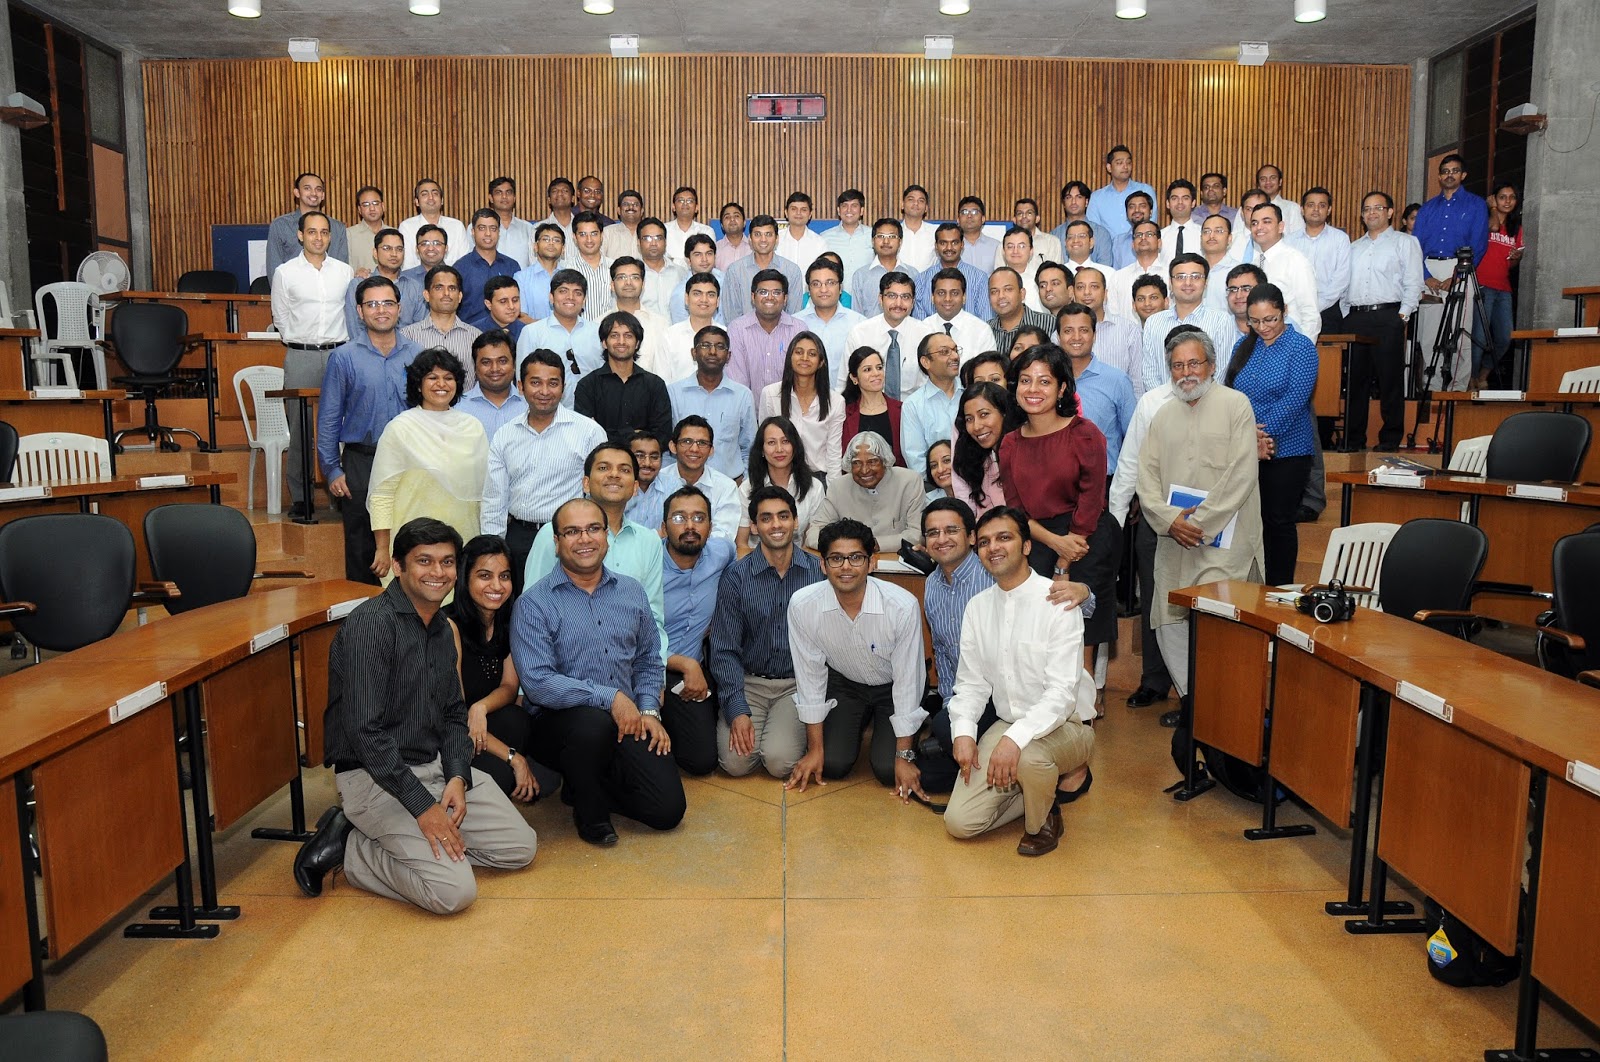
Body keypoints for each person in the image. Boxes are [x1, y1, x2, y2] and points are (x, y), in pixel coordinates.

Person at [294, 518, 537, 912]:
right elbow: (364, 732)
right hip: (375, 777)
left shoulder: (441, 628)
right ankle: (350, 845)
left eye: (446, 562)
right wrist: (423, 807)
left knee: (519, 848)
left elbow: (455, 714)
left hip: (435, 766)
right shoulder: (371, 625)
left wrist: (457, 776)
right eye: (424, 561)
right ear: (398, 566)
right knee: (453, 893)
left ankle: (414, 845)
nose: (437, 572)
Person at [512, 498, 686, 847]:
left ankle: (582, 782)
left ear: (606, 536)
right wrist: (611, 697)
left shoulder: (632, 591)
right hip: (559, 723)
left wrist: (649, 710)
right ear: (556, 542)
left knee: (667, 811)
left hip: (627, 719)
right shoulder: (534, 604)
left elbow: (648, 659)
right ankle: (590, 813)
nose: (584, 539)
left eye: (593, 528)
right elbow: (538, 683)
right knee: (592, 725)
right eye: (572, 532)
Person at [1136, 330, 1265, 754]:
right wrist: (1170, 520)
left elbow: (1242, 473)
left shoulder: (1236, 405)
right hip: (1175, 537)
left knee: (1220, 624)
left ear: (1211, 365)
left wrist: (1200, 523)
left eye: (1194, 364)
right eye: (1178, 365)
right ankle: (1194, 701)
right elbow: (1146, 478)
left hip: (1226, 541)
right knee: (1168, 617)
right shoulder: (1162, 416)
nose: (1186, 373)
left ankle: (1223, 707)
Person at [943, 506, 1098, 855]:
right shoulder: (977, 607)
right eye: (984, 542)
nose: (993, 547)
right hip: (1009, 721)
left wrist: (1013, 740)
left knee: (1029, 758)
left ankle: (1044, 819)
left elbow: (1061, 694)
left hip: (1067, 724)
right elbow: (971, 684)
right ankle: (1034, 789)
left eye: (1004, 537)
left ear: (1026, 546)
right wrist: (963, 732)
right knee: (960, 823)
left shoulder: (1058, 599)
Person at [786, 518, 927, 790]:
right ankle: (858, 725)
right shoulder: (803, 605)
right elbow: (810, 678)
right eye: (836, 558)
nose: (846, 567)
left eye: (856, 557)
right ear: (823, 565)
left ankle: (896, 733)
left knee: (888, 770)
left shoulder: (901, 606)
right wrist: (815, 749)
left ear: (872, 562)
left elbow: (908, 684)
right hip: (846, 684)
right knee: (832, 764)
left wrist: (904, 756)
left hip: (893, 687)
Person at [999, 344, 1119, 659]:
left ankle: (1089, 687)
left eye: (1044, 381)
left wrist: (1064, 560)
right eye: (1025, 380)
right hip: (1038, 539)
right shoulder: (1010, 443)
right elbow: (1016, 511)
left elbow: (1091, 500)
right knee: (1037, 639)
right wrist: (1054, 543)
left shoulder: (1085, 434)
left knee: (1080, 637)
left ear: (1062, 388)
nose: (1033, 389)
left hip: (1086, 537)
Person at [709, 485, 824, 777]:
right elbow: (724, 649)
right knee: (735, 764)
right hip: (749, 682)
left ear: (795, 522)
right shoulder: (736, 576)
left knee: (778, 762)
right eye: (766, 518)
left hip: (796, 684)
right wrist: (737, 708)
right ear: (754, 527)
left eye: (783, 516)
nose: (776, 525)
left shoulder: (818, 572)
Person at [317, 276, 420, 583]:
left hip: (409, 461)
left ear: (399, 308)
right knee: (362, 548)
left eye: (388, 303)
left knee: (411, 542)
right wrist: (331, 469)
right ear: (360, 311)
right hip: (361, 462)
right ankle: (363, 612)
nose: (381, 310)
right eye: (372, 304)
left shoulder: (417, 355)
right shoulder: (343, 357)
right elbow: (329, 418)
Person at [524, 443, 668, 662]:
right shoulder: (554, 533)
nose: (614, 474)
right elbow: (532, 611)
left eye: (624, 469)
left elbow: (653, 618)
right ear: (586, 483)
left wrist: (656, 673)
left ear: (635, 488)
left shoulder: (649, 541)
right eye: (603, 468)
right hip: (563, 668)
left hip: (628, 669)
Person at [479, 347, 607, 593]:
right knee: (520, 607)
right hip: (519, 538)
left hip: (570, 538)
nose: (545, 391)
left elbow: (599, 495)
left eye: (553, 383)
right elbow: (494, 500)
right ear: (520, 386)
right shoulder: (505, 435)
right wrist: (493, 549)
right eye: (536, 382)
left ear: (563, 387)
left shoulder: (588, 432)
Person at [445, 535, 558, 802]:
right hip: (451, 732)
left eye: (504, 576)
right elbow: (453, 714)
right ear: (464, 578)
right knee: (507, 776)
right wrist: (514, 758)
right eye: (485, 576)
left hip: (482, 725)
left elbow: (509, 686)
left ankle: (498, 767)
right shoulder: (448, 626)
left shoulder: (508, 619)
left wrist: (480, 708)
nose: (497, 586)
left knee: (520, 724)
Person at [367, 347, 488, 585]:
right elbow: (382, 494)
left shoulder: (473, 427)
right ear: (418, 385)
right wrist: (382, 548)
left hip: (463, 542)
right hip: (414, 543)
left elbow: (485, 494)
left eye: (448, 378)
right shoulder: (400, 428)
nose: (441, 384)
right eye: (432, 377)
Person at [1224, 284, 1317, 585]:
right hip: (1246, 447)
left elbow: (1294, 400)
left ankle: (1279, 589)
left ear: (1284, 311)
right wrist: (1245, 435)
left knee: (1278, 521)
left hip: (1288, 450)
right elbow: (1231, 393)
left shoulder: (1301, 347)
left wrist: (1259, 435)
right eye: (1255, 321)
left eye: (1270, 319)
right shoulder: (1243, 346)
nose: (1263, 327)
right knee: (1248, 522)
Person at [272, 210, 353, 514]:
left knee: (339, 426)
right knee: (301, 428)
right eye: (312, 232)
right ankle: (300, 497)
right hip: (301, 355)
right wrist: (299, 339)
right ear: (300, 235)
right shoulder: (285, 272)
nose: (318, 238)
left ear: (330, 237)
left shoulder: (344, 272)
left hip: (338, 355)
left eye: (324, 232)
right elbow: (280, 317)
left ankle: (340, 495)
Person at [655, 484, 737, 775]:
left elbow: (734, 583)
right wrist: (684, 663)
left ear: (710, 527)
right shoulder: (648, 565)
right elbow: (632, 636)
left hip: (693, 671)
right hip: (648, 667)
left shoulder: (721, 552)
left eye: (699, 518)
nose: (690, 526)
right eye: (679, 518)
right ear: (664, 527)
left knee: (701, 761)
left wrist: (719, 619)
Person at [1342, 191, 1424, 452]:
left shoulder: (1405, 242)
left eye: (1378, 207)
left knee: (1390, 381)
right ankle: (1353, 439)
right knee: (1355, 383)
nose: (1372, 213)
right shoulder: (1353, 247)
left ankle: (1389, 439)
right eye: (1367, 208)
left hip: (1388, 316)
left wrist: (1402, 316)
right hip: (1356, 318)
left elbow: (1414, 282)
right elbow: (1344, 286)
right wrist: (1345, 317)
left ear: (1390, 212)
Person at [666, 324, 757, 482]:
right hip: (682, 486)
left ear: (728, 356)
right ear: (694, 353)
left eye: (720, 346)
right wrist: (672, 483)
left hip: (731, 485)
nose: (713, 351)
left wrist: (744, 482)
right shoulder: (673, 393)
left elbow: (750, 448)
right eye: (705, 345)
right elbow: (667, 449)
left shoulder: (742, 395)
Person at [806, 431, 924, 549]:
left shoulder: (909, 481)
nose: (864, 470)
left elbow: (918, 535)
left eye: (872, 462)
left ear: (885, 461)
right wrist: (847, 548)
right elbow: (814, 534)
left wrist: (873, 545)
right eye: (856, 463)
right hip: (849, 559)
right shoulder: (838, 487)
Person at [573, 309, 672, 447]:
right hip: (603, 458)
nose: (621, 341)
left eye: (628, 336)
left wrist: (607, 434)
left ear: (637, 343)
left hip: (643, 459)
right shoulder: (587, 386)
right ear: (604, 342)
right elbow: (586, 435)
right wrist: (635, 434)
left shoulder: (655, 385)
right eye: (614, 335)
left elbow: (662, 435)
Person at [1139, 253, 1236, 391]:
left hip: (1208, 401)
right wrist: (1168, 401)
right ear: (1171, 283)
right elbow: (1150, 374)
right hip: (1163, 402)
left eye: (1195, 277)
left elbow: (1220, 373)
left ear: (1206, 282)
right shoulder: (1153, 322)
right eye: (1181, 277)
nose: (1188, 283)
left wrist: (1199, 401)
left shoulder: (1221, 321)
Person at [636, 416, 741, 542]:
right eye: (687, 441)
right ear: (673, 446)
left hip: (707, 553)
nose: (694, 449)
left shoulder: (726, 487)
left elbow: (722, 539)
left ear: (711, 450)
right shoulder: (656, 480)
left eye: (702, 443)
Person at [1058, 303, 1136, 473]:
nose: (1076, 337)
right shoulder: (1048, 382)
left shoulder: (1117, 381)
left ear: (1094, 335)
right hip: (1057, 480)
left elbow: (1134, 439)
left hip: (1105, 479)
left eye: (1084, 330)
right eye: (1068, 330)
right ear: (1058, 336)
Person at [758, 331, 844, 477]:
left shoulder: (835, 401)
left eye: (812, 354)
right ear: (790, 358)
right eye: (799, 352)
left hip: (819, 477)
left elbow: (834, 455)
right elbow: (765, 443)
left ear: (821, 362)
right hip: (781, 476)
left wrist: (833, 489)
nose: (804, 358)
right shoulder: (771, 394)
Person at [516, 269, 604, 403]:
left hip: (592, 410)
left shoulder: (597, 332)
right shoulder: (531, 332)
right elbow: (523, 381)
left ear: (584, 300)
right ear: (551, 297)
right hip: (546, 410)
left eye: (577, 293)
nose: (570, 297)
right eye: (563, 291)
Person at [738, 416, 825, 550]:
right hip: (756, 557)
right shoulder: (747, 488)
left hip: (798, 557)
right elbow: (741, 544)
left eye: (785, 441)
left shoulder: (814, 487)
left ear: (795, 446)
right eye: (771, 442)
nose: (779, 449)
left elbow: (812, 543)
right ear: (761, 449)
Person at [847, 271, 934, 400]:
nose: (898, 303)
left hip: (914, 406)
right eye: (892, 296)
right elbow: (845, 381)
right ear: (880, 299)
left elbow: (934, 381)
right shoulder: (860, 333)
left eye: (905, 297)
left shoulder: (926, 335)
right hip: (870, 406)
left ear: (913, 302)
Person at [1472, 182, 1525, 390]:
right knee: (1479, 337)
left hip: (1503, 289)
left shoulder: (1516, 229)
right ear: (1493, 199)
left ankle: (1483, 374)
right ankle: (1471, 379)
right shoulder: (1484, 221)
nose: (1508, 201)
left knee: (1505, 337)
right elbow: (1493, 227)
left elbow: (1510, 265)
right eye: (1502, 197)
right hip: (1482, 285)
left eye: (1512, 197)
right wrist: (1492, 208)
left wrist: (1516, 258)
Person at [728, 268, 806, 404]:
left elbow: (802, 378)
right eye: (763, 292)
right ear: (753, 297)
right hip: (750, 412)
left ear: (785, 298)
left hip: (790, 411)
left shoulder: (799, 329)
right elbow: (738, 383)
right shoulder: (737, 329)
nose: (770, 297)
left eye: (776, 292)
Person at [1248, 203, 1321, 341]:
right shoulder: (1254, 263)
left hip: (1290, 342)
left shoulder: (1295, 261)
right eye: (1254, 223)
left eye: (1266, 221)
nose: (1259, 227)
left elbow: (1310, 314)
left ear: (1281, 227)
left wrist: (1302, 350)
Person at [341, 227, 423, 340]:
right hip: (365, 349)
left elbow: (420, 330)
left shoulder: (415, 287)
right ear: (375, 253)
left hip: (406, 349)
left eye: (399, 249)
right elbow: (355, 328)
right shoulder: (357, 285)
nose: (394, 254)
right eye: (387, 248)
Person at [1071, 266, 1143, 394]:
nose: (1087, 292)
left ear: (1105, 293)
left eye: (1094, 287)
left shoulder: (1128, 330)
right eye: (1080, 287)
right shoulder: (1061, 335)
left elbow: (1137, 382)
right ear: (1073, 293)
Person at [797, 258, 867, 385]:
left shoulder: (859, 324)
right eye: (816, 284)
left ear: (840, 288)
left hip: (846, 395)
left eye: (830, 283)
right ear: (809, 290)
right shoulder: (796, 324)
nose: (823, 289)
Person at [266, 172, 349, 278]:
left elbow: (343, 270)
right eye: (307, 188)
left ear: (323, 195)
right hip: (293, 287)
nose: (313, 193)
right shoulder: (280, 226)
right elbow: (274, 271)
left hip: (330, 287)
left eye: (318, 189)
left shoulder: (338, 228)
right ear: (297, 192)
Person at [901, 332, 961, 476]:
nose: (955, 356)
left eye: (955, 350)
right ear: (926, 362)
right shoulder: (913, 405)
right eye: (945, 352)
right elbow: (916, 462)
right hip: (937, 486)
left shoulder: (972, 394)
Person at [951, 380, 1014, 516]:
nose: (976, 426)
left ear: (1004, 413)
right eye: (969, 419)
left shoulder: (1022, 454)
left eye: (984, 414)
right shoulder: (981, 461)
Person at [723, 215, 804, 319]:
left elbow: (794, 315)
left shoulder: (792, 271)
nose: (763, 239)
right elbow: (731, 316)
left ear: (777, 238)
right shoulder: (735, 271)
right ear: (750, 239)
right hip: (744, 329)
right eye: (757, 234)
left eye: (768, 234)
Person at [401, 265, 481, 371]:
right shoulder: (407, 336)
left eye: (452, 288)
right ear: (426, 295)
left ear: (460, 296)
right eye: (439, 288)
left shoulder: (476, 337)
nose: (446, 293)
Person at [454, 209, 520, 331]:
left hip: (508, 334)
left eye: (493, 228)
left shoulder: (512, 266)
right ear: (473, 232)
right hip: (470, 334)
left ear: (499, 232)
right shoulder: (460, 268)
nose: (488, 233)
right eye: (482, 228)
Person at [1298, 187, 1351, 337]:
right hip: (1297, 310)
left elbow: (1341, 279)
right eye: (1310, 205)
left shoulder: (1340, 239)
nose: (1316, 209)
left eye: (1322, 205)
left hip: (1329, 310)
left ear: (1329, 210)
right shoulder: (1289, 241)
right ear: (1302, 209)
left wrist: (1316, 306)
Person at [841, 345, 905, 468]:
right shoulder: (845, 414)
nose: (876, 373)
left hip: (896, 477)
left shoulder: (901, 410)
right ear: (854, 378)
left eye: (879, 368)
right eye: (867, 369)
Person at [921, 265, 993, 360]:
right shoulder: (922, 330)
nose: (947, 299)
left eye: (954, 293)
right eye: (941, 293)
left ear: (964, 297)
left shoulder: (981, 331)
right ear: (932, 297)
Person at [1087, 144, 1156, 243]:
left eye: (1128, 162)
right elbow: (1094, 231)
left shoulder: (1146, 190)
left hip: (1141, 247)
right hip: (1108, 251)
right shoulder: (1097, 198)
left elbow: (1151, 226)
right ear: (1109, 167)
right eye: (1119, 163)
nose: (1125, 166)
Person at [398, 179, 467, 271]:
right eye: (424, 194)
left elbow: (463, 263)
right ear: (417, 202)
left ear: (442, 200)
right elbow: (407, 264)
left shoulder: (457, 226)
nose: (431, 197)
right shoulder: (407, 226)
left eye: (435, 193)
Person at [987, 267, 1055, 354]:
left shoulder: (1050, 324)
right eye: (994, 292)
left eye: (1008, 289)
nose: (1001, 296)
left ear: (1022, 294)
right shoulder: (984, 330)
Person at [1106, 220, 1164, 319]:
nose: (1143, 238)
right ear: (1132, 244)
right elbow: (1112, 314)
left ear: (1159, 243)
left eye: (1149, 234)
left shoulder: (1170, 275)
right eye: (1138, 235)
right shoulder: (1118, 277)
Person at [846, 217, 906, 312]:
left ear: (900, 242)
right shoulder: (861, 275)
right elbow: (857, 314)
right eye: (881, 236)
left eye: (891, 236)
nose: (886, 241)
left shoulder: (912, 273)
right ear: (873, 241)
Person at [1051, 181, 1114, 268]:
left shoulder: (1101, 233)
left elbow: (1105, 268)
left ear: (1086, 202)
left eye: (1079, 197)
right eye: (1068, 197)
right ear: (1064, 203)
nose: (1073, 202)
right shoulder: (1054, 235)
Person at [513, 223, 566, 320]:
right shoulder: (521, 278)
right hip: (532, 330)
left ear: (563, 249)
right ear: (535, 246)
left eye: (556, 240)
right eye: (546, 239)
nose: (551, 243)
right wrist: (546, 328)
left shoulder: (570, 277)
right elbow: (521, 316)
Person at [825, 189, 874, 278]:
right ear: (838, 210)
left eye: (854, 206)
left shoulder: (873, 235)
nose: (849, 210)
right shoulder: (825, 238)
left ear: (862, 210)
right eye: (844, 206)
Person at [487, 176, 534, 268]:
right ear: (491, 198)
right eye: (499, 192)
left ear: (514, 198)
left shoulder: (528, 228)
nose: (504, 196)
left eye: (508, 192)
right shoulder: (479, 228)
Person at [665, 186, 715, 269]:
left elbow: (709, 260)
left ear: (696, 208)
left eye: (689, 201)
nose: (685, 204)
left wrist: (673, 260)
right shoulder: (663, 230)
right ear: (673, 207)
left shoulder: (706, 231)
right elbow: (661, 260)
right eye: (680, 200)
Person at [1107, 191, 1156, 269]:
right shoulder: (1118, 241)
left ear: (1151, 212)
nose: (1136, 210)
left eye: (1142, 206)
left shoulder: (1162, 237)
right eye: (1131, 207)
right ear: (1126, 213)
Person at [779, 191, 828, 270]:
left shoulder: (819, 243)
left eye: (804, 210)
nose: (798, 213)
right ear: (786, 213)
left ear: (810, 214)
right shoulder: (775, 240)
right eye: (794, 209)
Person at [345, 185, 385, 278]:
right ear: (359, 209)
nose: (372, 208)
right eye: (366, 205)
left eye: (375, 203)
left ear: (383, 206)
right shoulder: (348, 234)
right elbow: (344, 268)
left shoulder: (394, 233)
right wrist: (355, 273)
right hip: (360, 284)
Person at [1160, 179, 1203, 263]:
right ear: (1168, 203)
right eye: (1174, 198)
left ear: (1193, 203)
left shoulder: (1203, 234)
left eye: (1185, 198)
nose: (1180, 202)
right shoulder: (1160, 236)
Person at [897, 184, 938, 272]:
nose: (916, 203)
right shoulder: (894, 232)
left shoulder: (936, 232)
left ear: (926, 208)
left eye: (921, 201)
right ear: (902, 205)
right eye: (911, 199)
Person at [1255, 164, 1305, 237]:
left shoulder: (1292, 208)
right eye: (1263, 179)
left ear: (1280, 182)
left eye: (1272, 178)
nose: (1268, 182)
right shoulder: (1248, 208)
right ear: (1258, 184)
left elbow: (1299, 237)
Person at [481, 275, 528, 348]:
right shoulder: (475, 333)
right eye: (503, 301)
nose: (511, 306)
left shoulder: (527, 333)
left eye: (515, 300)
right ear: (488, 304)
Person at [601, 189, 645, 261]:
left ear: (642, 211)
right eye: (626, 204)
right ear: (618, 211)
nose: (631, 207)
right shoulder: (607, 233)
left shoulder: (650, 232)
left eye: (635, 204)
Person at [538, 176, 578, 243]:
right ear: (549, 200)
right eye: (554, 191)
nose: (559, 194)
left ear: (573, 198)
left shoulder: (582, 226)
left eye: (565, 191)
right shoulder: (538, 228)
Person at [715, 201, 751, 270]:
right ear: (722, 225)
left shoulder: (753, 248)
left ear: (744, 223)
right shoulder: (715, 250)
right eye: (727, 217)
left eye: (736, 216)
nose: (732, 219)